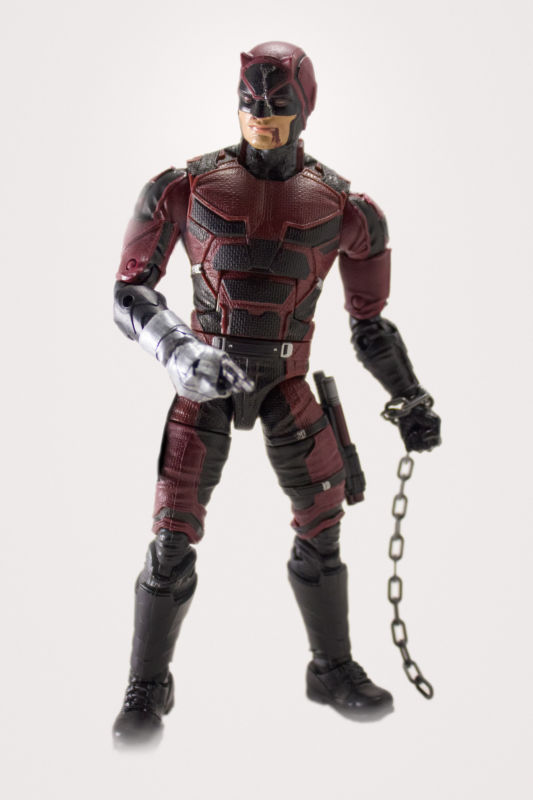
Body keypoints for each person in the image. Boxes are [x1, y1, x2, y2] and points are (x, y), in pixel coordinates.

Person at [112, 41, 441, 745]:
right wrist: (178, 350)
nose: (261, 115)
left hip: (287, 383)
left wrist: (410, 397)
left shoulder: (347, 208)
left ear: (305, 106)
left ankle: (331, 669)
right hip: (204, 379)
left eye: (278, 103)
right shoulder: (183, 187)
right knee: (170, 540)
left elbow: (369, 325)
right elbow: (129, 293)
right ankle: (146, 688)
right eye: (250, 101)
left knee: (323, 529)